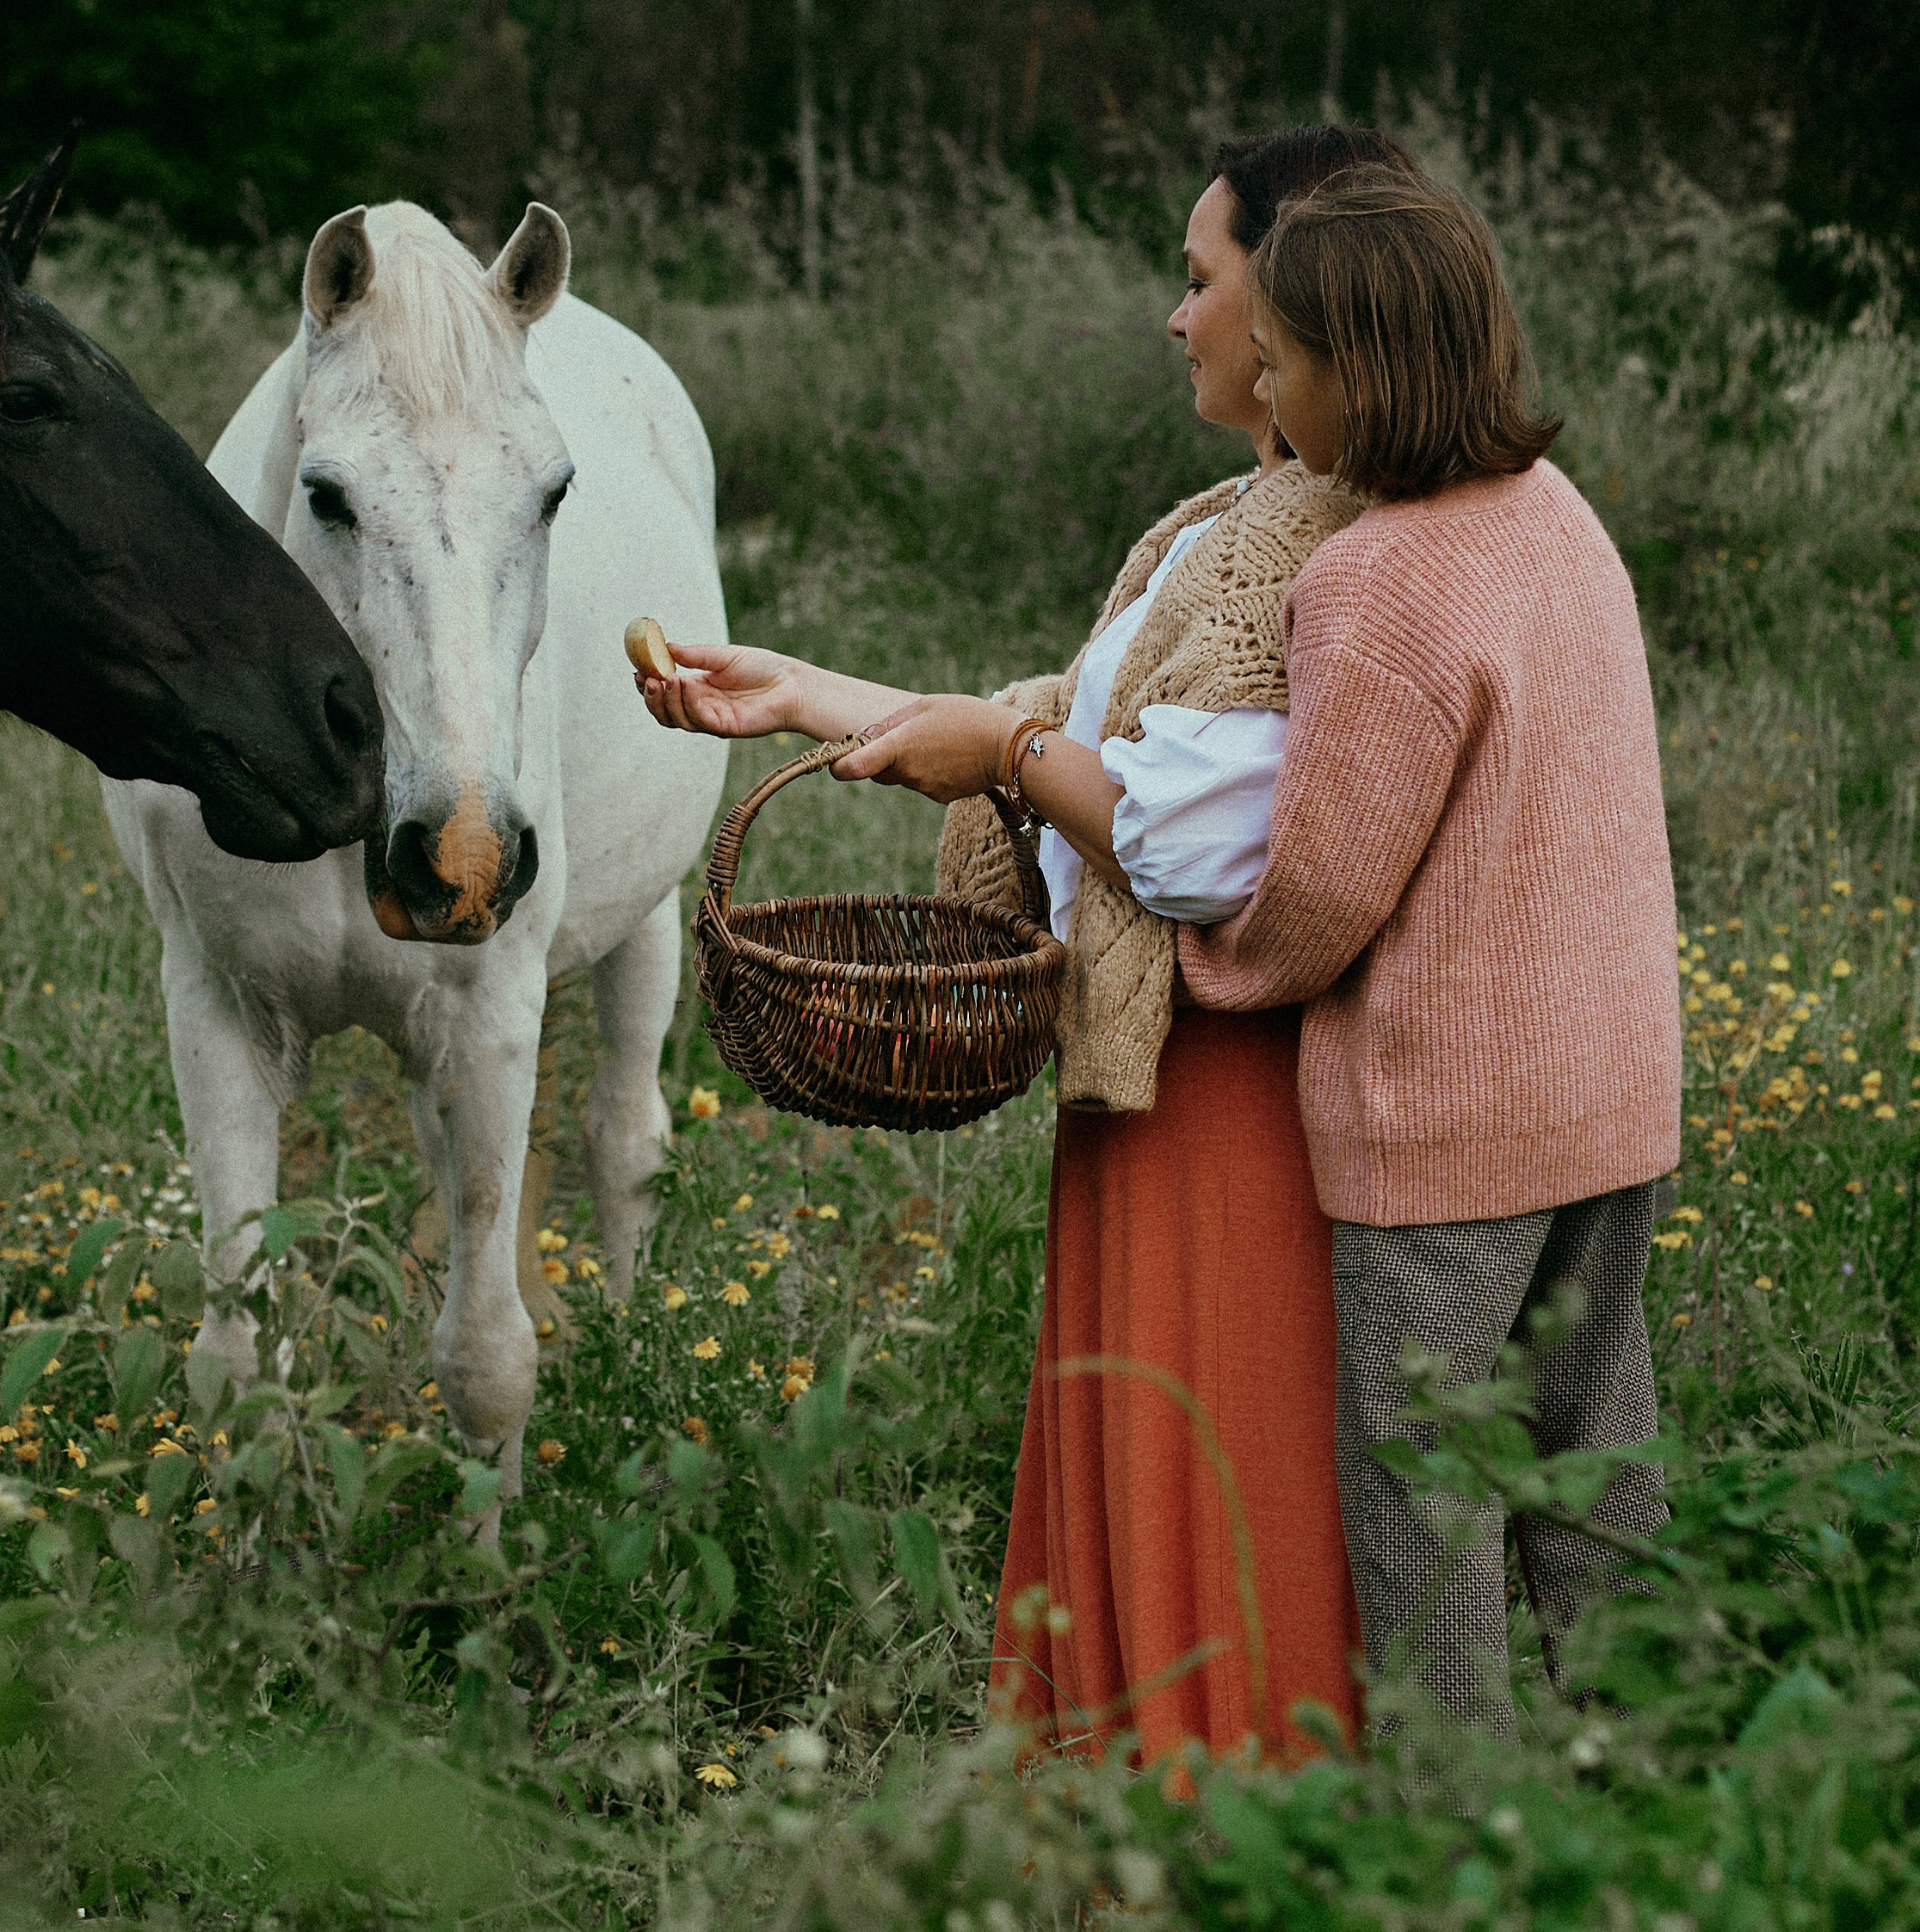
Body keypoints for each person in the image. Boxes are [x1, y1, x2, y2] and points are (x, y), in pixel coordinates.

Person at [633, 123, 1411, 1768]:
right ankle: (1123, 1843)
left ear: (1291, 305)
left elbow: (1192, 840)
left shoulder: (1312, 546)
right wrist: (805, 694)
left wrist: (998, 753)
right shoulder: (1226, 519)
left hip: (1225, 1095)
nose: (1176, 317)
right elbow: (1074, 726)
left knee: (1216, 1471)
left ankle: (1222, 1846)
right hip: (1150, 1082)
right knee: (1137, 1456)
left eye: (1198, 280)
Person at [1173, 164, 1682, 1733]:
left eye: (1285, 362)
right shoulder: (1556, 512)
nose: (1267, 392)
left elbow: (1321, 901)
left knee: (1429, 1512)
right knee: (1598, 1466)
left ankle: (1449, 1848)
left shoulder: (1374, 581)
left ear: (1362, 372)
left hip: (1453, 1131)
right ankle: (1661, 1781)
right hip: (1612, 1100)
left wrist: (1213, 966)